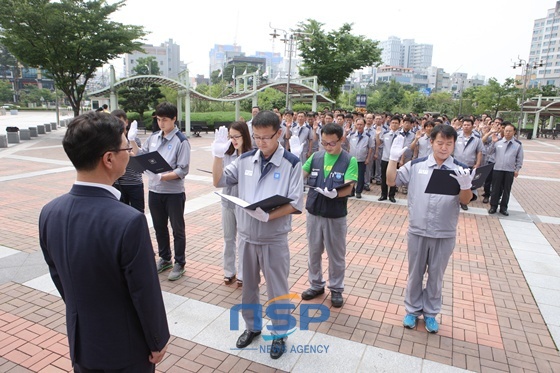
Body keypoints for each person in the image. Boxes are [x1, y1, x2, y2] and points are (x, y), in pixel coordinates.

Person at [38, 112, 169, 372]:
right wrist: (158, 340)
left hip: (82, 343)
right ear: (109, 159)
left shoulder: (49, 211)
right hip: (125, 349)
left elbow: (60, 278)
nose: (130, 153)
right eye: (126, 147)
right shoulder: (128, 220)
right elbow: (144, 291)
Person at [212, 110, 303, 359]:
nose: (261, 143)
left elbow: (296, 203)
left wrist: (268, 215)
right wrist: (218, 156)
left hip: (274, 238)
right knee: (249, 288)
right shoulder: (244, 160)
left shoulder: (292, 164)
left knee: (277, 289)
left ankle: (280, 333)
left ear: (279, 134)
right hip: (248, 237)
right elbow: (218, 181)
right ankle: (252, 327)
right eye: (257, 137)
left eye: (267, 138)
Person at [386, 124, 474, 334]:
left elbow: (466, 200)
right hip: (418, 230)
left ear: (453, 145)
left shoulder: (461, 169)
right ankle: (412, 310)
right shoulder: (416, 165)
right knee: (415, 274)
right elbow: (391, 180)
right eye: (440, 143)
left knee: (436, 276)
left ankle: (431, 314)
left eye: (449, 144)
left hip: (444, 232)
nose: (444, 147)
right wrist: (391, 159)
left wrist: (465, 185)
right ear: (431, 142)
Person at [301, 123, 357, 308]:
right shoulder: (315, 157)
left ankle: (336, 288)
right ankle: (316, 284)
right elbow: (301, 174)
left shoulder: (350, 160)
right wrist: (294, 163)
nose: (327, 147)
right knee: (314, 252)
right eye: (324, 143)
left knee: (336, 254)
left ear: (341, 139)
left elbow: (349, 185)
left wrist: (337, 193)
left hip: (335, 215)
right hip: (314, 213)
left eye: (331, 143)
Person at [137, 102, 191, 281]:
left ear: (174, 119)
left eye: (165, 120)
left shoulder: (181, 141)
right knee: (159, 227)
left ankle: (180, 262)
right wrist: (131, 141)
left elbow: (182, 170)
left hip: (173, 193)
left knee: (177, 229)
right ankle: (165, 257)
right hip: (154, 191)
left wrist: (162, 176)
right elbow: (141, 156)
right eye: (159, 120)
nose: (161, 123)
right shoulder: (153, 138)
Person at [212, 121, 252, 287]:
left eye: (237, 136)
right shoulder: (226, 153)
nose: (233, 140)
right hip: (227, 200)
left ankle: (243, 273)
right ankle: (229, 271)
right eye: (230, 137)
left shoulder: (251, 155)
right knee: (229, 238)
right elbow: (217, 179)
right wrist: (217, 155)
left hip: (244, 203)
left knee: (244, 239)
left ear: (245, 136)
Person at [111, 109, 145, 212]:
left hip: (134, 183)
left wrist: (127, 150)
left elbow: (138, 160)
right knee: (119, 213)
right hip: (117, 183)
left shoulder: (133, 139)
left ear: (126, 122)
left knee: (138, 212)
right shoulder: (111, 140)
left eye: (120, 121)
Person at [488, 123, 524, 216]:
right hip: (498, 169)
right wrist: (493, 142)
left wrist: (517, 169)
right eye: (506, 131)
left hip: (509, 170)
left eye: (510, 131)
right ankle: (493, 206)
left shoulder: (517, 144)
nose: (507, 133)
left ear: (514, 132)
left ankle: (503, 208)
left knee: (506, 190)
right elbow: (489, 152)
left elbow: (519, 158)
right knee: (495, 189)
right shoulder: (498, 142)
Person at [452, 118, 483, 210]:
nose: (466, 126)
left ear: (472, 126)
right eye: (464, 125)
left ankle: (464, 202)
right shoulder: (456, 136)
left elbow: (479, 152)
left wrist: (477, 164)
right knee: (455, 184)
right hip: (456, 164)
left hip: (469, 165)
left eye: (468, 125)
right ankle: (455, 200)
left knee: (466, 185)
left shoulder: (477, 139)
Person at [347, 117, 374, 198]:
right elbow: (346, 143)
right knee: (351, 176)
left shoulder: (368, 136)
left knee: (361, 176)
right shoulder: (351, 135)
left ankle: (358, 192)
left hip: (362, 159)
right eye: (358, 124)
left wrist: (368, 158)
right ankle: (351, 191)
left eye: (361, 125)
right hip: (352, 159)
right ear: (355, 124)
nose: (359, 126)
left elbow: (370, 148)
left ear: (364, 125)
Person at [376, 115, 401, 203]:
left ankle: (392, 195)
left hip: (395, 161)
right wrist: (377, 135)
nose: (394, 125)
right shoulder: (386, 134)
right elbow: (379, 144)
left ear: (399, 124)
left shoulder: (401, 136)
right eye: (393, 123)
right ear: (390, 124)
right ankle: (383, 194)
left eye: (396, 123)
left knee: (394, 178)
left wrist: (401, 160)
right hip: (385, 159)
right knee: (384, 177)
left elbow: (403, 149)